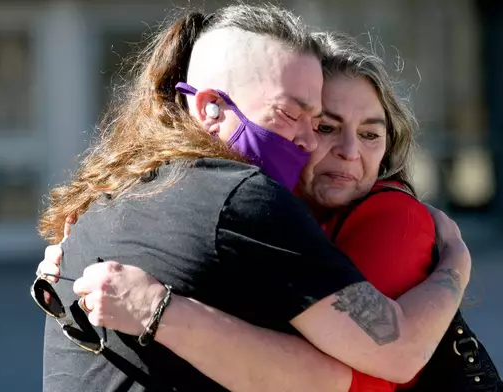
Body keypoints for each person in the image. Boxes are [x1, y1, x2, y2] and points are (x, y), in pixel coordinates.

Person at [36, 5, 470, 392]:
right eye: (293, 116)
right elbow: (379, 363)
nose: (305, 140)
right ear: (210, 107)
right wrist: (455, 264)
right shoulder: (242, 197)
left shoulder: (115, 190)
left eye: (313, 120)